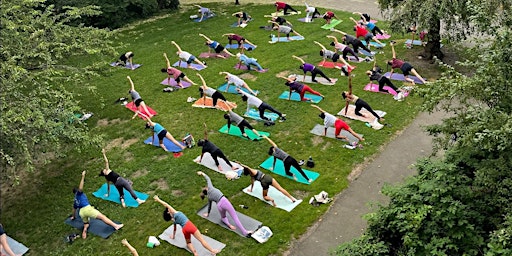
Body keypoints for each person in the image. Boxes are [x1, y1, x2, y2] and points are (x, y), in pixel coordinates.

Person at [154, 195, 221, 256]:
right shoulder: (175, 213)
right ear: (169, 212)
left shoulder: (174, 220)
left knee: (188, 243)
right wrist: (158, 199)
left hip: (184, 230)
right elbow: (166, 204)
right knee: (201, 240)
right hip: (189, 226)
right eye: (168, 209)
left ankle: (195, 253)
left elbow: (175, 229)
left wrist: (173, 236)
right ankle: (212, 251)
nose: (169, 208)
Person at [197, 171, 253, 237]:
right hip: (224, 201)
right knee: (235, 217)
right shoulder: (210, 187)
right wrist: (202, 173)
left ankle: (229, 225)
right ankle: (245, 232)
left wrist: (208, 213)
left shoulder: (209, 197)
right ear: (206, 189)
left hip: (219, 206)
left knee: (223, 217)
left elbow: (210, 206)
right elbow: (208, 178)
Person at [71, 171, 124, 239]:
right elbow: (81, 188)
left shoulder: (75, 199)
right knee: (102, 217)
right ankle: (116, 226)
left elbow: (74, 209)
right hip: (87, 209)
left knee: (86, 223)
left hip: (81, 212)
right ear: (77, 191)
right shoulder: (79, 193)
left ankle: (84, 230)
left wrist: (73, 217)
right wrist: (83, 176)